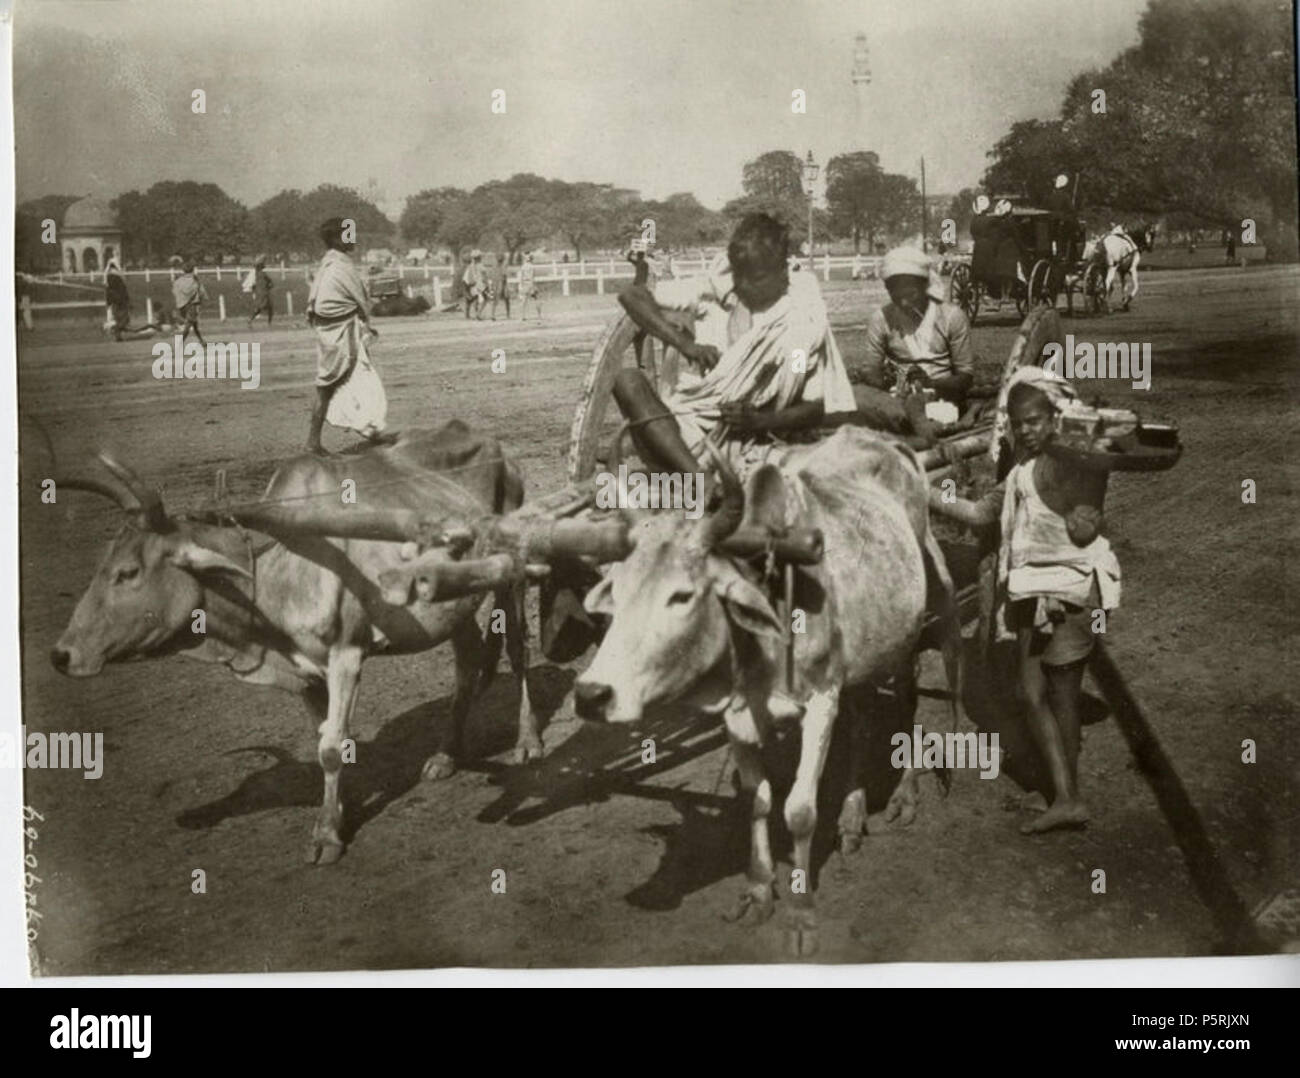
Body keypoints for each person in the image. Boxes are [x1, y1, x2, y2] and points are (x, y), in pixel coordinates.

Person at [929, 368, 1119, 834]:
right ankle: (1062, 791)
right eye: (1018, 423)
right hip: (1033, 595)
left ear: (1055, 420)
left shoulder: (1065, 465)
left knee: (1059, 694)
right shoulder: (1017, 475)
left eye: (1035, 420)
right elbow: (976, 514)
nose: (1026, 430)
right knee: (1035, 693)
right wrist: (919, 491)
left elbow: (1083, 519)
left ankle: (1068, 797)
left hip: (1072, 594)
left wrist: (1086, 518)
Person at [613, 212, 855, 476]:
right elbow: (631, 295)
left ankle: (706, 478)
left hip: (761, 442)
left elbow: (812, 406)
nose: (745, 286)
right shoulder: (714, 296)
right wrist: (686, 345)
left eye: (758, 278)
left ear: (782, 272)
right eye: (740, 276)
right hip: (689, 431)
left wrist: (760, 421)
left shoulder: (798, 329)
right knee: (627, 380)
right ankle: (700, 479)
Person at [855, 246, 975, 446]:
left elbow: (966, 378)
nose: (903, 302)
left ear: (924, 287)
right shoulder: (881, 319)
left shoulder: (951, 317)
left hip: (941, 401)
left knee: (919, 414)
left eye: (911, 295)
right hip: (895, 401)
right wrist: (881, 378)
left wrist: (931, 384)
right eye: (895, 295)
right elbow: (872, 371)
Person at [305, 217, 394, 454]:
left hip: (331, 334)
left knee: (328, 386)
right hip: (341, 335)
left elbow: (314, 304)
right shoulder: (341, 267)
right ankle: (371, 431)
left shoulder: (327, 264)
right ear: (336, 238)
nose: (353, 237)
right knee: (362, 380)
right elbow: (362, 301)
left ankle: (317, 440)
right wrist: (366, 321)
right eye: (348, 233)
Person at [171, 263, 208, 347]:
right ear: (193, 270)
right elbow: (202, 292)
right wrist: (203, 299)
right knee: (189, 324)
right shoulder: (195, 280)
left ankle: (201, 340)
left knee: (194, 324)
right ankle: (180, 343)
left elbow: (174, 291)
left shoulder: (178, 281)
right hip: (192, 305)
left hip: (182, 305)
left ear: (183, 270)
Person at [103, 259, 131, 341]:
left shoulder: (108, 278)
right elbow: (123, 289)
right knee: (124, 319)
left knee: (118, 318)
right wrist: (127, 299)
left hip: (114, 301)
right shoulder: (118, 278)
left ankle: (118, 335)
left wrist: (108, 302)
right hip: (121, 301)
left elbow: (108, 291)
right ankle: (116, 330)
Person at [247, 259, 274, 328]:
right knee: (269, 308)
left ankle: (250, 320)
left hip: (259, 294)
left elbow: (253, 286)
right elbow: (270, 282)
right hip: (264, 294)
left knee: (259, 308)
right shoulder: (263, 274)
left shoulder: (256, 275)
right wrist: (269, 286)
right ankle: (269, 323)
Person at [462, 250, 487, 320]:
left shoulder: (471, 266)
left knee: (473, 298)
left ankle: (471, 314)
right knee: (474, 298)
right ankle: (476, 314)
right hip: (472, 283)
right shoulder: (475, 266)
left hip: (470, 283)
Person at [517, 253, 541, 321]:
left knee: (524, 301)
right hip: (530, 284)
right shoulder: (532, 267)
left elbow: (521, 277)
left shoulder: (523, 267)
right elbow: (533, 277)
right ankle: (539, 315)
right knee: (536, 299)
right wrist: (533, 285)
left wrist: (521, 285)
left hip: (525, 284)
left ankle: (523, 316)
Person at [490, 252, 511, 320]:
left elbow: (492, 277)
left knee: (495, 300)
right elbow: (504, 276)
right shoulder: (503, 267)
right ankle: (508, 314)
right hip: (501, 284)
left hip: (496, 284)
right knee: (507, 299)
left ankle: (493, 314)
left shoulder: (494, 267)